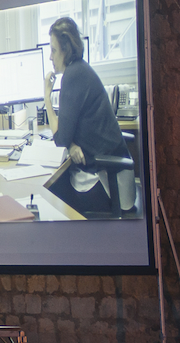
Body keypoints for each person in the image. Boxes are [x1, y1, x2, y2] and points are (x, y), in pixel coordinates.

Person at [42, 16, 128, 214]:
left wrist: (47, 97)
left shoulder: (73, 76)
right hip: (109, 172)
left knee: (51, 193)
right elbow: (68, 135)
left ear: (66, 50)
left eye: (53, 50)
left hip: (104, 180)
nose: (50, 57)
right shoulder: (80, 69)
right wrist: (71, 144)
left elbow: (60, 137)